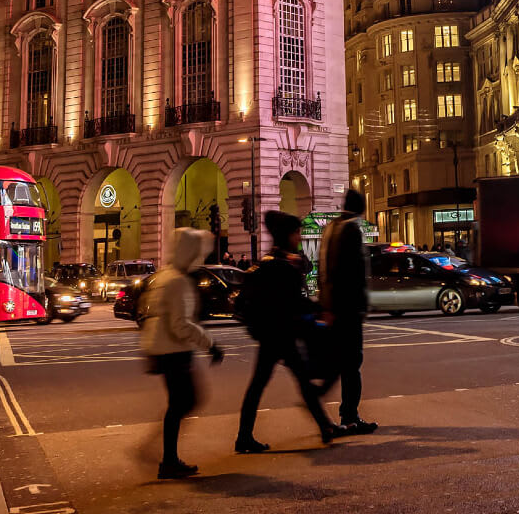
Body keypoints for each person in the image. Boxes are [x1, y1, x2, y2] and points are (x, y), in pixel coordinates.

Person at [236, 211, 341, 452]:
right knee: (298, 380)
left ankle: (244, 436)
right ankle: (324, 426)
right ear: (287, 235)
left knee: (262, 385)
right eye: (297, 232)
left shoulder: (273, 259)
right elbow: (294, 302)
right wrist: (320, 310)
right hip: (282, 334)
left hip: (271, 333)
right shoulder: (283, 266)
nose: (300, 237)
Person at [139, 229, 223, 479]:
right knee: (184, 402)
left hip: (161, 347)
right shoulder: (178, 280)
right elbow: (181, 324)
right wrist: (210, 344)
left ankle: (167, 457)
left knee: (181, 403)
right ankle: (167, 459)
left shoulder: (165, 275)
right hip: (174, 349)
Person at [317, 189, 376, 436]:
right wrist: (361, 305)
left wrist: (327, 305)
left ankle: (325, 404)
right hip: (349, 308)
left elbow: (325, 270)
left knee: (341, 363)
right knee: (353, 363)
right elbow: (353, 273)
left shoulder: (332, 227)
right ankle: (350, 416)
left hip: (334, 306)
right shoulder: (351, 229)